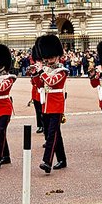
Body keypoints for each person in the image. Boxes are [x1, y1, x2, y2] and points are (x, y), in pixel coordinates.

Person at [36, 34, 68, 174]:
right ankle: (62, 159)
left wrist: (41, 72)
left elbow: (52, 81)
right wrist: (35, 75)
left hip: (56, 105)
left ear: (57, 56)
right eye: (47, 58)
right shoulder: (46, 70)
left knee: (51, 134)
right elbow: (39, 84)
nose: (48, 60)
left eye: (51, 57)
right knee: (55, 134)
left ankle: (47, 161)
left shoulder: (62, 71)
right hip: (46, 104)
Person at [28, 44, 44, 134]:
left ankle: (44, 125)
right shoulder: (35, 66)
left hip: (42, 92)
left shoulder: (44, 68)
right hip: (35, 92)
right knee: (37, 110)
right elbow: (33, 82)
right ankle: (40, 125)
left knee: (43, 110)